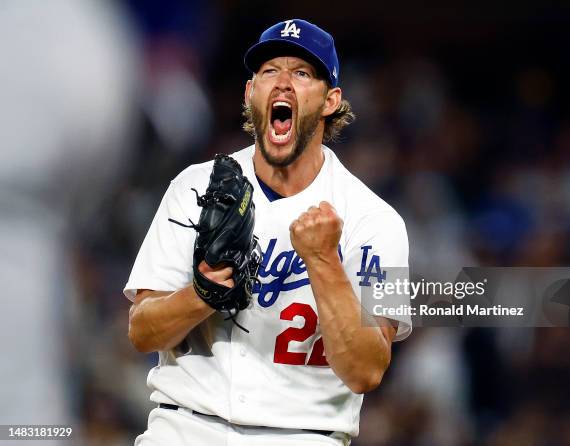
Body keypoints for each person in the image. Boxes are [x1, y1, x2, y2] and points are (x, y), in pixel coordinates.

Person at [124, 18, 410, 446]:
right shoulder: (194, 188)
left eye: (301, 73)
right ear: (249, 92)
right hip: (185, 426)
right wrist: (201, 294)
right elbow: (142, 331)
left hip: (303, 435)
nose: (282, 83)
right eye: (269, 71)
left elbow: (367, 369)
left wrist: (323, 260)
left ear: (331, 100)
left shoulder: (377, 220)